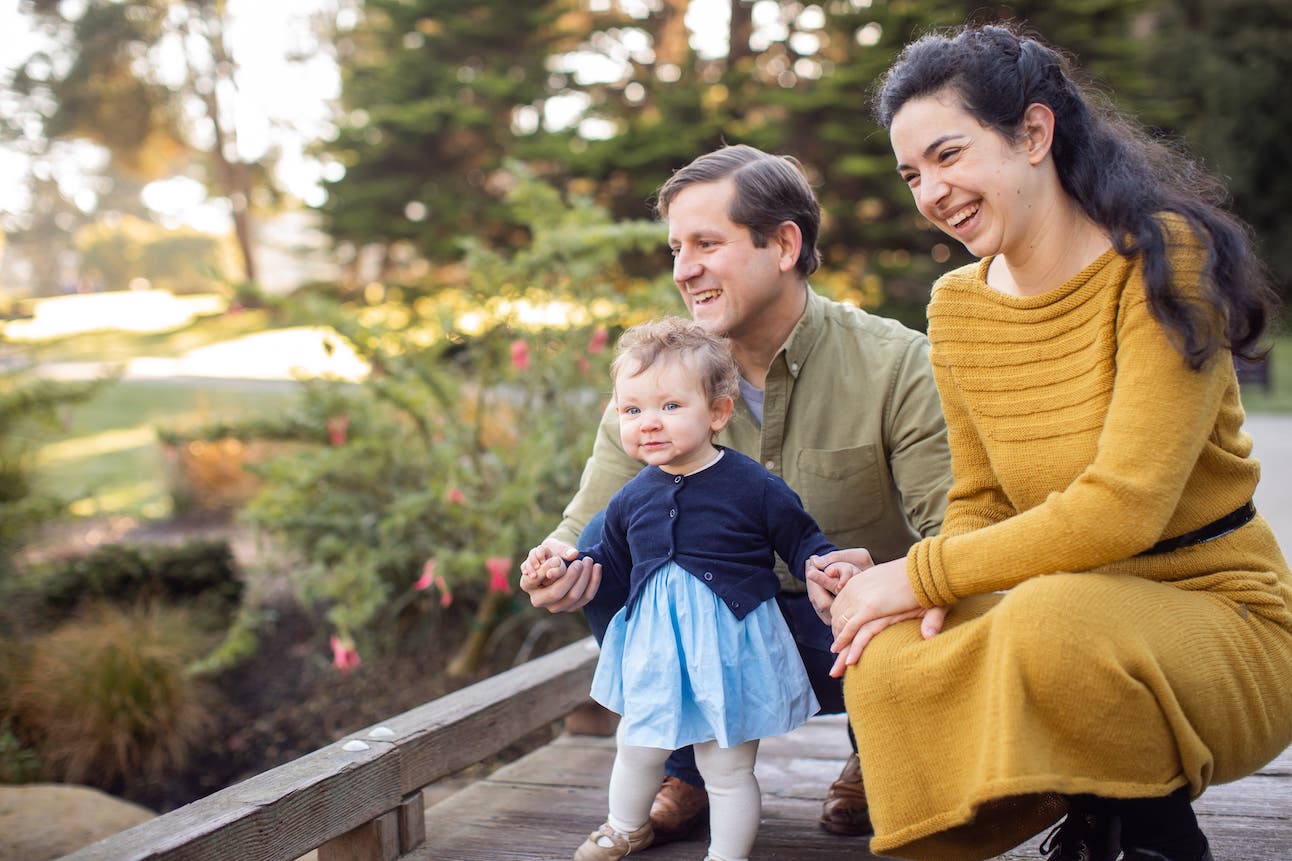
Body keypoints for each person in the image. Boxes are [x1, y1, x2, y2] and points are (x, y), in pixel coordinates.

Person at [807, 23, 1292, 861]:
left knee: (1053, 615)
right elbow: (981, 501)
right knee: (882, 650)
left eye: (950, 155)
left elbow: (1124, 507)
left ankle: (1159, 838)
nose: (932, 191)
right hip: (1059, 615)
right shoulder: (956, 303)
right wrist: (914, 592)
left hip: (1222, 619)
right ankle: (1089, 797)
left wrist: (917, 573)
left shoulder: (1161, 260)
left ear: (1034, 133)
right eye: (913, 173)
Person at [521, 143, 953, 841]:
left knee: (921, 596)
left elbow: (956, 531)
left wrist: (890, 576)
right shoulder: (656, 388)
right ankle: (687, 765)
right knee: (602, 568)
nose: (683, 269)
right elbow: (584, 520)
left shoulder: (896, 364)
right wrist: (554, 563)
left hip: (850, 634)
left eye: (705, 243)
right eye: (674, 248)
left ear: (784, 244)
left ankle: (879, 751)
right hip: (705, 629)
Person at [527, 317, 857, 861]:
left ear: (718, 412)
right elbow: (603, 559)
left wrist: (824, 566)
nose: (648, 423)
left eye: (670, 407)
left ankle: (725, 854)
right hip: (659, 646)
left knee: (725, 766)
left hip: (730, 646)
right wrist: (561, 570)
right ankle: (622, 827)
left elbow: (802, 540)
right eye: (632, 410)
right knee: (636, 745)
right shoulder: (632, 497)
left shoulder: (753, 485)